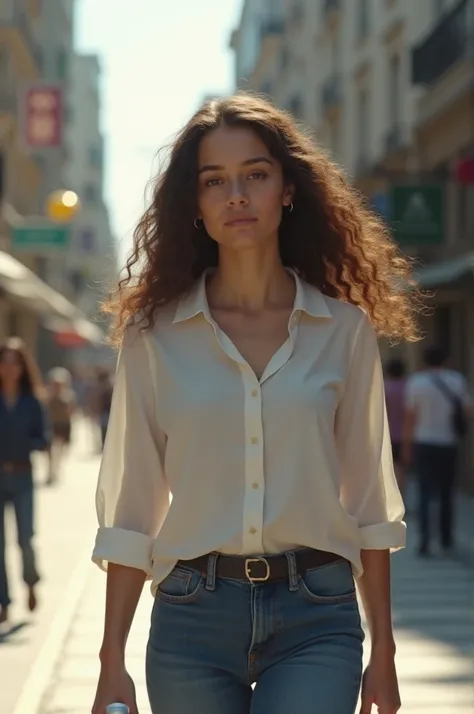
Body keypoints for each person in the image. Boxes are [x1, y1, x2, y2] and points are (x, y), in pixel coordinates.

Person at [91, 94, 420, 714]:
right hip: (191, 619)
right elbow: (131, 508)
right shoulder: (153, 337)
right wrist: (112, 661)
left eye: (256, 174)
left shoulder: (343, 331)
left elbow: (371, 504)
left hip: (317, 616)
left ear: (288, 189)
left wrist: (386, 653)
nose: (236, 195)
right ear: (195, 203)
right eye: (214, 181)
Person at [403, 345, 472, 558]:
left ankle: (424, 541)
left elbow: (411, 418)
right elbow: (468, 410)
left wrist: (407, 446)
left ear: (424, 361)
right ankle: (446, 539)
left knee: (425, 492)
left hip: (424, 442)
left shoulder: (416, 383)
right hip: (448, 443)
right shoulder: (457, 380)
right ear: (446, 359)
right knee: (446, 492)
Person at [0, 337, 49, 624]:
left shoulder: (33, 402)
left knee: (25, 540)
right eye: (4, 361)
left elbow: (43, 438)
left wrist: (23, 443)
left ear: (22, 367)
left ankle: (30, 581)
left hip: (22, 475)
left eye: (13, 362)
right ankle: (4, 601)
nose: (8, 367)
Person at [45, 367, 76, 485]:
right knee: (51, 452)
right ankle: (50, 472)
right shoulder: (47, 395)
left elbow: (71, 412)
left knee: (59, 451)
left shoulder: (68, 396)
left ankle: (55, 471)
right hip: (51, 426)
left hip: (63, 426)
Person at [384, 358, 407, 496]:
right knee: (402, 469)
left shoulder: (384, 388)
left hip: (388, 435)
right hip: (405, 435)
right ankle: (401, 495)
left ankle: (390, 496)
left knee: (388, 468)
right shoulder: (409, 387)